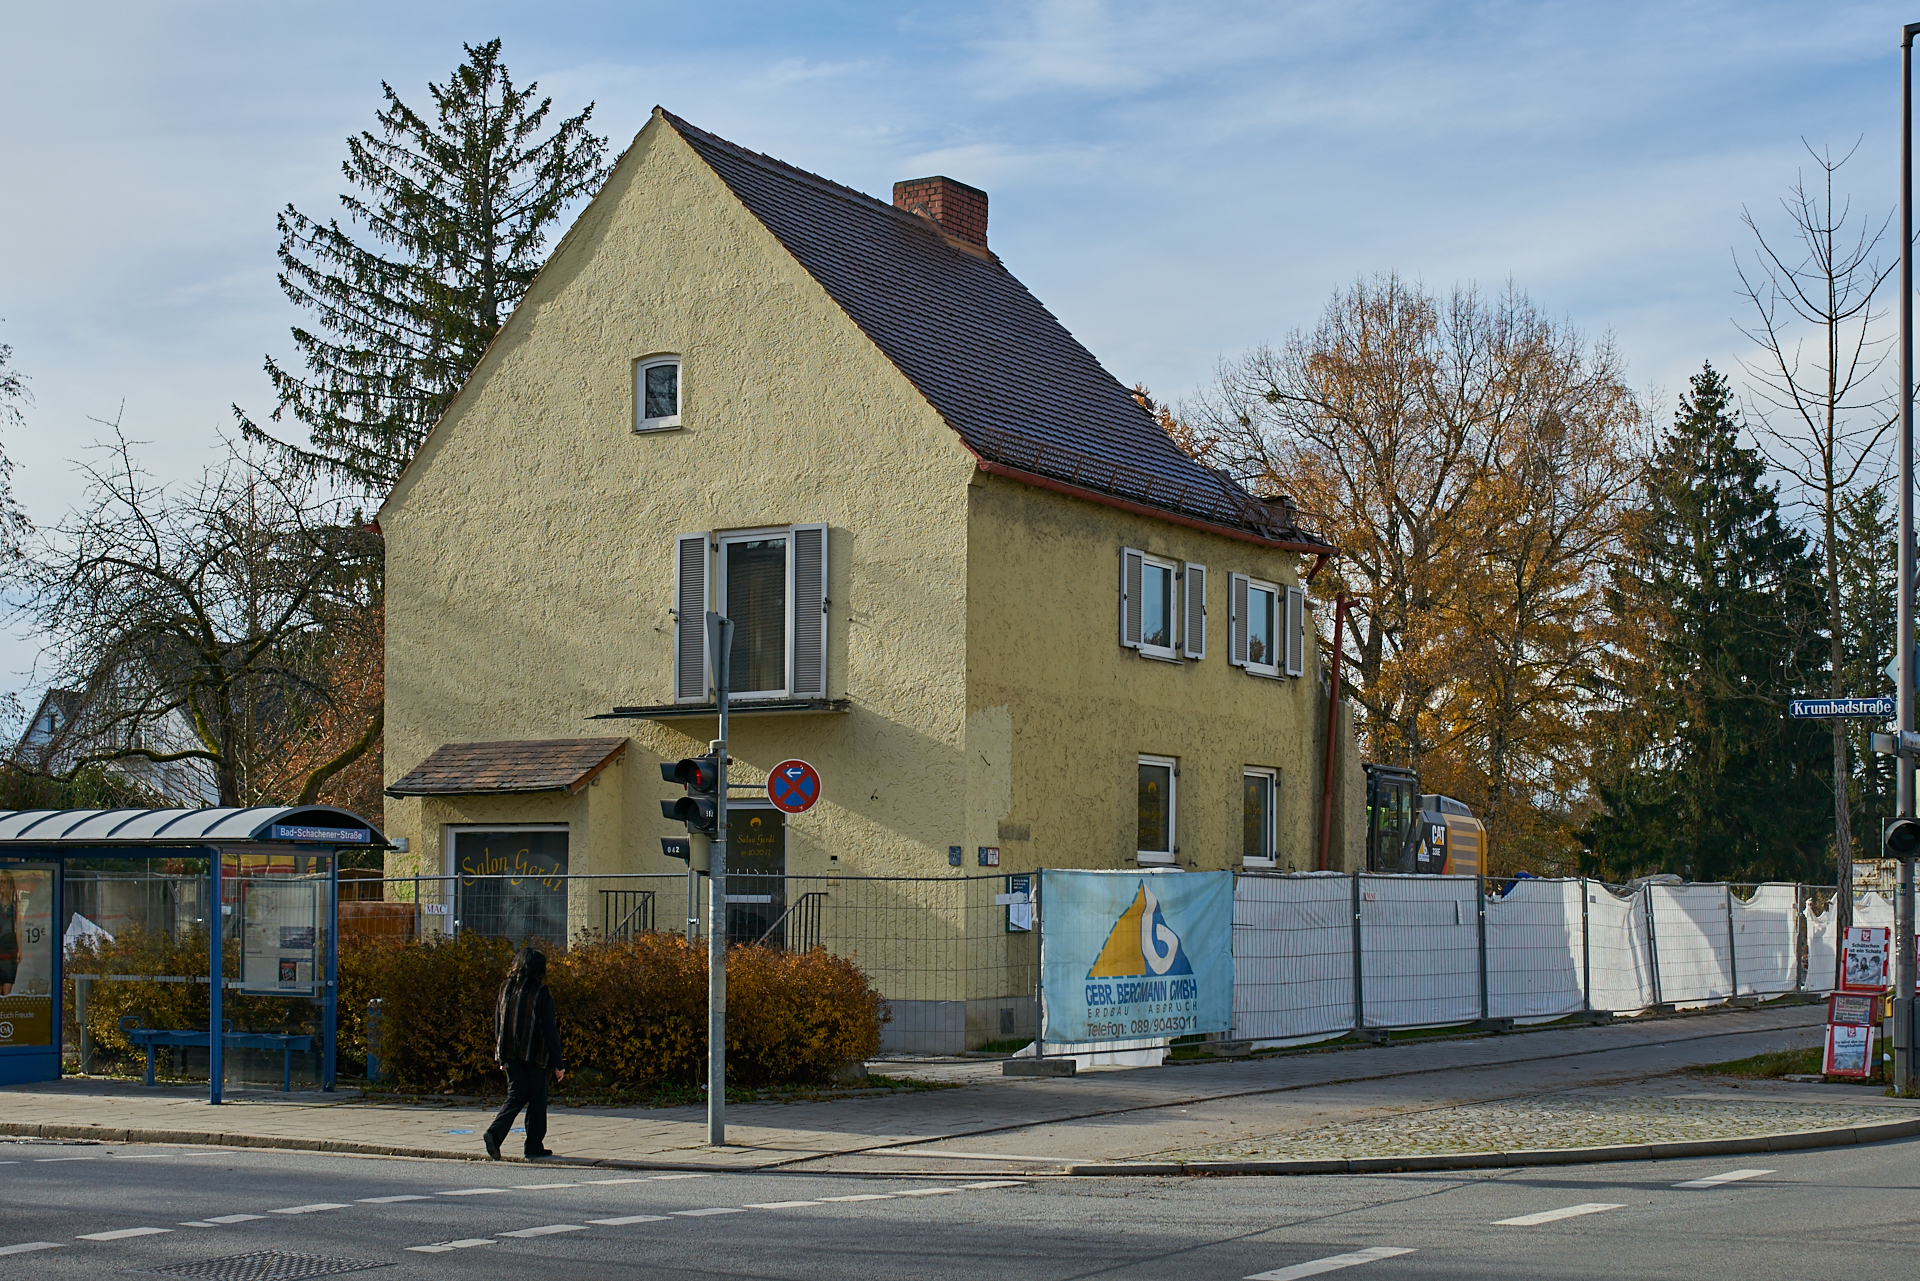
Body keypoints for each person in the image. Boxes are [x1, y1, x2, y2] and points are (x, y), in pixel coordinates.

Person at [483, 947, 565, 1160]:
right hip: (536, 1054)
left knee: (516, 1095)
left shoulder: (506, 988)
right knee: (538, 1099)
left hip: (509, 1052)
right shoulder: (541, 992)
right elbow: (549, 1030)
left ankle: (495, 1133)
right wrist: (558, 1063)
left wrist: (500, 1053)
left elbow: (498, 1021)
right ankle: (533, 1145)